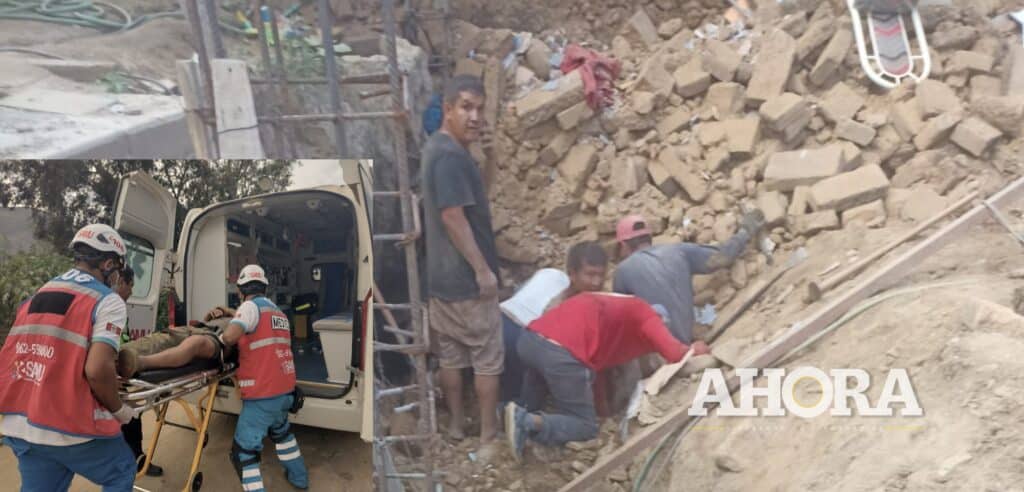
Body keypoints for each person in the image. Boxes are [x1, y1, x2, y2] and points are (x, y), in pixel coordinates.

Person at [0, 224, 138, 491]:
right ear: (109, 263)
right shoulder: (107, 300)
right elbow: (98, 369)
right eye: (118, 271)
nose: (118, 278)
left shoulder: (36, 295)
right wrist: (120, 411)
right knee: (121, 470)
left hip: (22, 423)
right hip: (66, 424)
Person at [504, 293, 710, 460]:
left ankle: (512, 417)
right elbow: (675, 353)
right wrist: (695, 349)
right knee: (585, 426)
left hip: (530, 340)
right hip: (561, 354)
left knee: (531, 400)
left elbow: (596, 373)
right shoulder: (644, 312)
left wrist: (602, 412)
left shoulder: (615, 315)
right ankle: (525, 421)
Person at [421, 74, 503, 451]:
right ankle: (487, 436)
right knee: (486, 359)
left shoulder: (439, 149)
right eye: (466, 107)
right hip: (466, 282)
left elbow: (475, 199)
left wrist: (488, 160)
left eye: (480, 109)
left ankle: (455, 426)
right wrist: (482, 269)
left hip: (440, 280)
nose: (475, 117)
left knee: (451, 356)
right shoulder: (451, 157)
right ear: (448, 109)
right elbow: (454, 216)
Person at [612, 210, 765, 347]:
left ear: (624, 245)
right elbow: (721, 257)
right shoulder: (677, 251)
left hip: (656, 352)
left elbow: (620, 322)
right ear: (649, 238)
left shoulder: (622, 271)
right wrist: (745, 231)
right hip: (683, 343)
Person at [219, 265, 308, 491]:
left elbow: (230, 337)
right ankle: (299, 478)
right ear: (265, 288)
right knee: (283, 435)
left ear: (240, 291)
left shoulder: (248, 307)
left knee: (243, 453)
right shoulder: (278, 313)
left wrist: (216, 340)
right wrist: (232, 313)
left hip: (263, 395)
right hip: (285, 391)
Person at [498, 241, 609, 405]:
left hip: (499, 320)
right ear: (572, 274)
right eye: (591, 275)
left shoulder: (549, 275)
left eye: (601, 275)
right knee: (525, 400)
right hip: (521, 336)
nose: (596, 282)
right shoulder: (562, 303)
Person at [115, 266, 164, 478]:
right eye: (130, 285)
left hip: (121, 366)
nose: (131, 291)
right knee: (131, 416)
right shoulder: (111, 306)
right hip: (115, 370)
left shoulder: (116, 306)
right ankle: (135, 460)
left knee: (130, 416)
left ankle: (134, 458)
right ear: (120, 282)